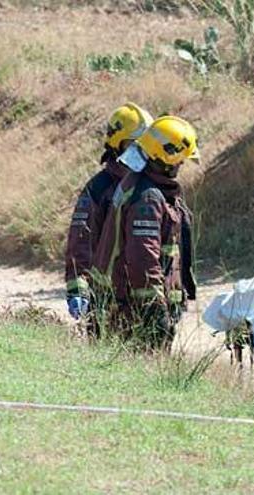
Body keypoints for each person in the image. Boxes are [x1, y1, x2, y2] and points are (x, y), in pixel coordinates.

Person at [91, 115, 199, 350]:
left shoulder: (139, 185)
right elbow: (143, 257)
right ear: (167, 159)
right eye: (180, 161)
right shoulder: (148, 197)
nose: (181, 166)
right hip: (133, 312)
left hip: (125, 304)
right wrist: (153, 309)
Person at [64, 102, 153, 335]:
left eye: (146, 143)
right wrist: (78, 288)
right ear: (117, 144)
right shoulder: (99, 188)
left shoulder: (152, 188)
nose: (142, 150)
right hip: (107, 298)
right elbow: (80, 239)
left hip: (144, 297)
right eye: (135, 143)